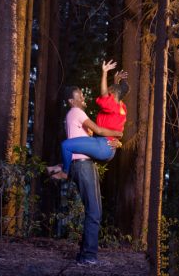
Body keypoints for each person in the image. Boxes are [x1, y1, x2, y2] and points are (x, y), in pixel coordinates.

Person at [59, 85, 114, 265]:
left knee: (92, 210)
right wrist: (114, 136)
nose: (83, 98)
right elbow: (98, 130)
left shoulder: (72, 116)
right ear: (71, 101)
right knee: (94, 211)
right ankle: (88, 257)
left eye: (83, 95)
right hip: (82, 166)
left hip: (80, 166)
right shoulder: (76, 111)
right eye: (80, 95)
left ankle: (85, 255)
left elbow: (89, 138)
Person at [47, 60, 128, 179]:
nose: (107, 92)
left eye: (110, 90)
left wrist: (105, 73)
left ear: (112, 95)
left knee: (66, 146)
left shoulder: (111, 105)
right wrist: (116, 81)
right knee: (74, 151)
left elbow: (106, 94)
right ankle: (59, 166)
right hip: (109, 149)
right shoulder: (122, 107)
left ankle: (64, 172)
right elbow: (116, 94)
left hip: (104, 145)